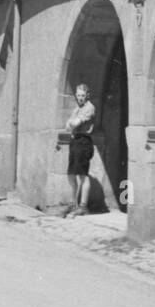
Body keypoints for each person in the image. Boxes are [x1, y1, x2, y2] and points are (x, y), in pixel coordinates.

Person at [66, 83, 95, 216]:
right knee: (71, 174)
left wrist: (72, 123)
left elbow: (75, 123)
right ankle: (73, 204)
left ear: (87, 95)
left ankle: (83, 206)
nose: (80, 98)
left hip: (83, 141)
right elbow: (68, 126)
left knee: (83, 174)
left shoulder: (89, 108)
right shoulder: (77, 108)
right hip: (74, 141)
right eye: (78, 95)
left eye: (83, 95)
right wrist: (72, 123)